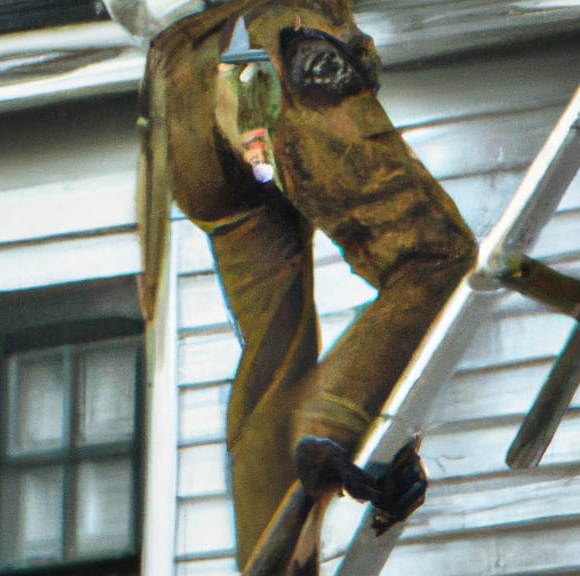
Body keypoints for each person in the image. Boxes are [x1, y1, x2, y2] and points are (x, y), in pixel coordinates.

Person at [136, 0, 477, 573]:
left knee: (275, 353)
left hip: (177, 90)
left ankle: (269, 554)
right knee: (430, 255)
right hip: (263, 51)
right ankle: (332, 431)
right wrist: (344, 428)